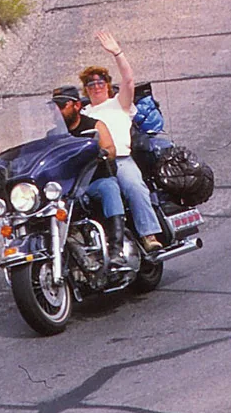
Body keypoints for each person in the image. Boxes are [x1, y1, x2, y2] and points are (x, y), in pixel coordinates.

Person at [77, 31, 163, 251]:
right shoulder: (83, 112)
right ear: (85, 89)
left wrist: (117, 53)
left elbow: (129, 80)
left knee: (135, 186)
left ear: (107, 84)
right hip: (92, 166)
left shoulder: (119, 103)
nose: (96, 86)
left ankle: (149, 235)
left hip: (121, 160)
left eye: (100, 82)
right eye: (90, 83)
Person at [51, 82, 130, 268]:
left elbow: (110, 148)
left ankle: (116, 249)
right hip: (69, 189)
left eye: (62, 106)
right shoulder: (53, 135)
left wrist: (102, 152)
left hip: (94, 181)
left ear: (77, 105)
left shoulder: (94, 125)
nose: (57, 111)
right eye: (54, 107)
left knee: (109, 188)